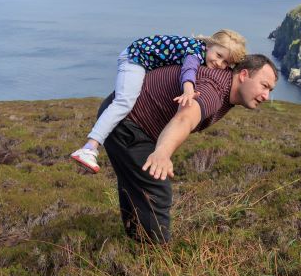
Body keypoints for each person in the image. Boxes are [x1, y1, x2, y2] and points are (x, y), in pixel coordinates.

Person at [100, 53, 277, 243]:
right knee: (157, 191)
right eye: (264, 86)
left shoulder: (224, 85)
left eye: (270, 90)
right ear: (243, 75)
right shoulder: (214, 91)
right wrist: (162, 153)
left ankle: (135, 243)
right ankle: (157, 257)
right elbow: (184, 118)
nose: (266, 96)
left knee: (136, 185)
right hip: (126, 124)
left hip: (125, 118)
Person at [70, 29, 247, 173]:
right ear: (209, 45)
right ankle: (89, 148)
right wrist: (188, 90)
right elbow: (189, 69)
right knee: (124, 102)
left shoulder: (204, 53)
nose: (219, 63)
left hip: (145, 62)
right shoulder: (194, 51)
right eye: (218, 55)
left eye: (226, 63)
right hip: (135, 58)